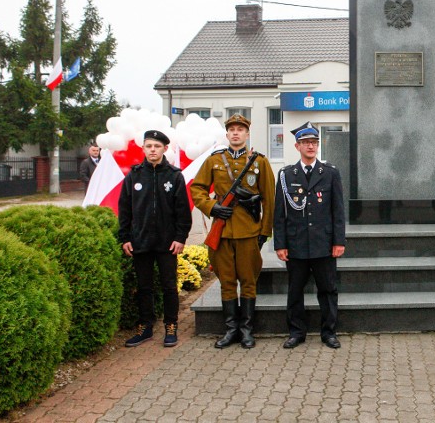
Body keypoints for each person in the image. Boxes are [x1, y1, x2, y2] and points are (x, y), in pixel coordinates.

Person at [191, 114, 275, 349]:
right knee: (227, 282)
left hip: (248, 232)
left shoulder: (259, 162)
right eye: (232, 130)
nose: (236, 133)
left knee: (248, 282)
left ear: (247, 134)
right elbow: (197, 189)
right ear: (227, 134)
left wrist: (264, 231)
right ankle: (231, 330)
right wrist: (212, 207)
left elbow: (269, 199)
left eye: (241, 129)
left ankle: (247, 331)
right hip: (223, 231)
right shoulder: (214, 161)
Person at [274, 122, 346, 349]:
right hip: (296, 244)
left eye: (314, 142)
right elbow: (279, 213)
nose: (311, 146)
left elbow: (338, 211)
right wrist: (280, 244)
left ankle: (329, 332)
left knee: (327, 290)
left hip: (323, 244)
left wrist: (338, 241)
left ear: (319, 145)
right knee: (295, 291)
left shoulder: (330, 173)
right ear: (297, 146)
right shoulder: (286, 175)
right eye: (306, 143)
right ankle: (296, 333)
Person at [118, 130, 192, 348]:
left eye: (157, 146)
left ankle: (171, 325)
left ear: (164, 149)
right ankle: (145, 327)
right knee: (144, 287)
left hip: (167, 243)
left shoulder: (174, 176)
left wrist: (180, 237)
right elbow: (124, 210)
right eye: (149, 146)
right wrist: (125, 238)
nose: (152, 150)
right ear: (143, 149)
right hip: (140, 241)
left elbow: (182, 211)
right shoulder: (133, 175)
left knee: (169, 286)